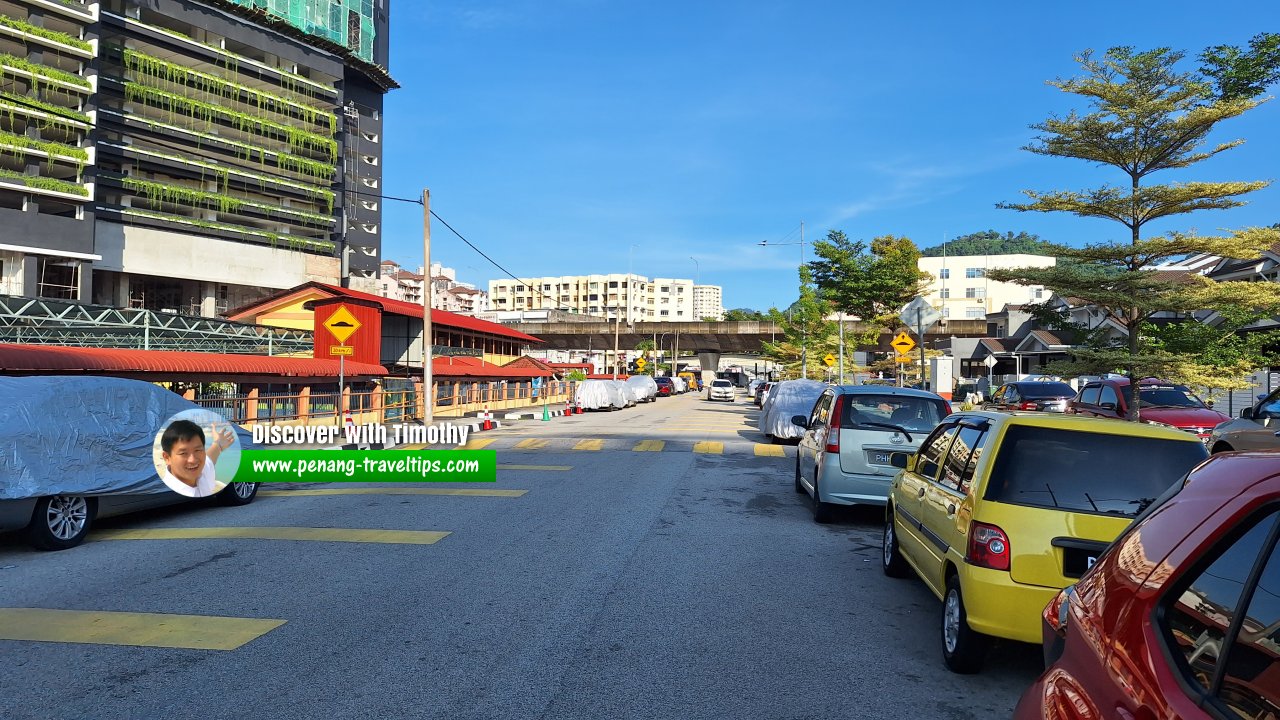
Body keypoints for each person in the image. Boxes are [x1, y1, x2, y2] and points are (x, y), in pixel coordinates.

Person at [160, 419, 234, 498]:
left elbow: (210, 457)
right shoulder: (166, 493)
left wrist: (218, 443)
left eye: (197, 450)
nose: (193, 460)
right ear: (167, 458)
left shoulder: (202, 472)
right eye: (183, 453)